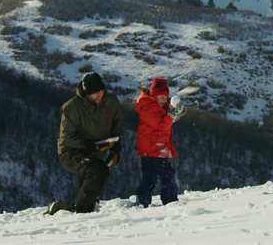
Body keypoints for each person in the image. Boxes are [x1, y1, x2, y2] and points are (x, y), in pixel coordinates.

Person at [45, 72, 124, 215]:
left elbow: (116, 124)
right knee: (98, 171)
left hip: (95, 151)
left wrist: (116, 150)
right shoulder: (71, 108)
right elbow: (66, 138)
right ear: (86, 94)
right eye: (95, 93)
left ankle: (60, 209)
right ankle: (80, 213)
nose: (100, 95)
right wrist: (90, 145)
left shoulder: (111, 102)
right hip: (70, 151)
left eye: (101, 90)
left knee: (89, 194)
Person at [134, 77, 186, 207]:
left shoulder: (158, 107)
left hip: (151, 149)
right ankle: (170, 200)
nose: (164, 100)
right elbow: (162, 125)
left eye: (165, 97)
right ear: (154, 96)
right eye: (161, 97)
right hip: (154, 149)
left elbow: (167, 118)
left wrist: (176, 113)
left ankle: (143, 200)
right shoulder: (148, 109)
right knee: (167, 174)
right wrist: (172, 116)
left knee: (149, 177)